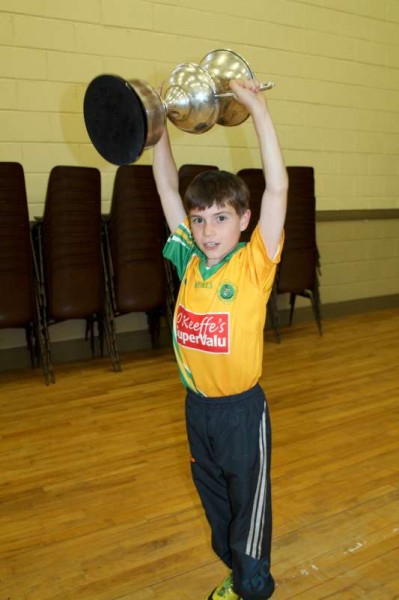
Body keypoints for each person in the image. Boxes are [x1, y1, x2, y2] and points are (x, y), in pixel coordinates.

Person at [152, 78, 288, 600]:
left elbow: (277, 188)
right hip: (198, 410)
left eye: (221, 219)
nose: (208, 231)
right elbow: (166, 188)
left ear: (244, 221)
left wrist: (257, 109)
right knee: (216, 506)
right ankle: (235, 570)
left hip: (240, 413)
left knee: (249, 509)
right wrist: (156, 127)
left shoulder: (254, 264)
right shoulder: (189, 258)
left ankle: (253, 587)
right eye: (199, 219)